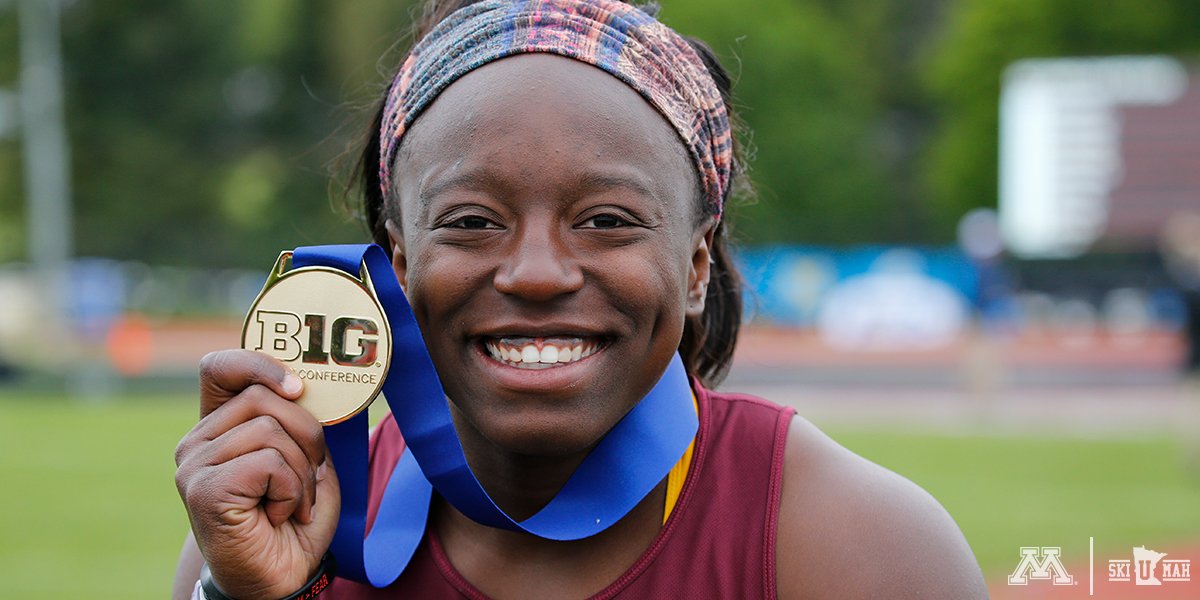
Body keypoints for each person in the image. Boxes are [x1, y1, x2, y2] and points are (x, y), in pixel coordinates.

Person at [173, 1, 988, 598]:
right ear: (399, 264)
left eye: (606, 220)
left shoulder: (856, 546)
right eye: (470, 221)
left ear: (696, 264)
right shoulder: (280, 519)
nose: (536, 273)